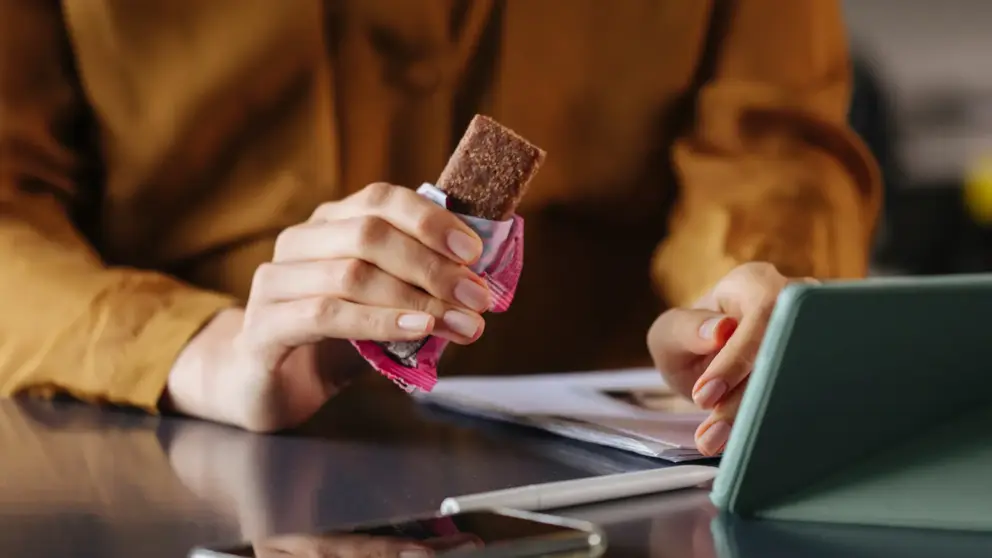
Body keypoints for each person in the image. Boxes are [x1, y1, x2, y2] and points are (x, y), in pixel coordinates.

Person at [0, 0, 879, 456]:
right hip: (165, 448)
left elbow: (774, 148)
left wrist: (746, 304)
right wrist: (200, 349)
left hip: (633, 474)